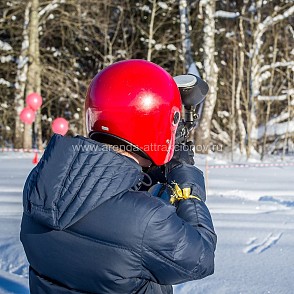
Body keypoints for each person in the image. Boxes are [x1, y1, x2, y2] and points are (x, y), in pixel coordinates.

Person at [21, 59, 217, 294]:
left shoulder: (42, 184)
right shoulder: (145, 221)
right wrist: (184, 178)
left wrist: (148, 173)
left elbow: (104, 202)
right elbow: (200, 258)